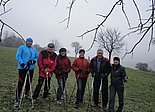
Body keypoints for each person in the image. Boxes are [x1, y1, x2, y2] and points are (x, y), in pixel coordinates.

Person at [14, 37, 38, 107]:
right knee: (21, 82)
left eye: (31, 42)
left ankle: (26, 94)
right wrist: (22, 64)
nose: (30, 43)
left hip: (31, 68)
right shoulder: (22, 48)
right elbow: (18, 56)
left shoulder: (33, 49)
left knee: (29, 82)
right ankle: (17, 98)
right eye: (28, 41)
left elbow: (36, 57)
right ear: (26, 42)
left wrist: (33, 61)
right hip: (22, 68)